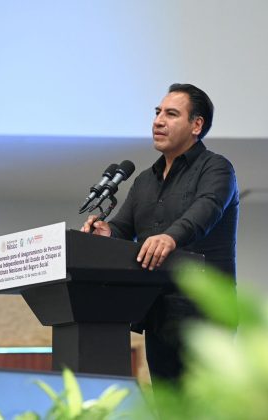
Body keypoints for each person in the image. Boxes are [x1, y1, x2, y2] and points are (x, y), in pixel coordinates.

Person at [82, 83, 239, 384]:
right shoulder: (145, 180)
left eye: (171, 114)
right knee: (167, 405)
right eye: (157, 113)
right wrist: (106, 233)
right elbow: (123, 227)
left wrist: (170, 236)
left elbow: (205, 211)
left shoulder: (216, 168)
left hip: (207, 316)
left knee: (206, 404)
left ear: (196, 125)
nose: (158, 121)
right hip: (158, 314)